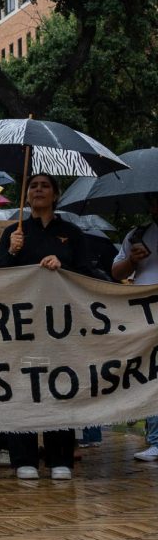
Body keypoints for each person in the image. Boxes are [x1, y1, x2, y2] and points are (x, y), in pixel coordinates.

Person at [0, 173, 94, 481]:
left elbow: (89, 274)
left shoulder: (72, 233)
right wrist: (11, 252)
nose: (38, 190)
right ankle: (23, 457)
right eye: (33, 186)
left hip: (60, 328)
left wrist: (62, 268)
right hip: (22, 327)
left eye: (45, 186)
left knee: (60, 385)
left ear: (55, 194)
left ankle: (59, 457)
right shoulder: (14, 232)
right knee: (22, 387)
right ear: (25, 195)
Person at [115, 193, 158, 461]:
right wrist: (131, 261)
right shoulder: (137, 234)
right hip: (146, 315)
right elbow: (115, 273)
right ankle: (155, 439)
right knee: (153, 375)